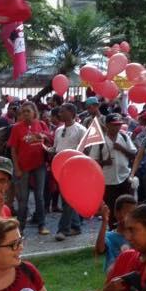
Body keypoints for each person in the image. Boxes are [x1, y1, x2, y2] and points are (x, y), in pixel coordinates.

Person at [7, 104, 52, 236]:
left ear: (34, 112)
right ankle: (20, 228)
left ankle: (41, 224)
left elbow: (49, 139)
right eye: (23, 112)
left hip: (39, 165)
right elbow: (13, 149)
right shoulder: (16, 128)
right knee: (23, 199)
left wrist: (42, 136)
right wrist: (17, 168)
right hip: (22, 166)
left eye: (28, 111)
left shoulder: (41, 124)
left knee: (39, 196)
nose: (25, 114)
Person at [87, 113, 137, 223]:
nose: (117, 127)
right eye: (114, 125)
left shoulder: (124, 137)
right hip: (107, 180)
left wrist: (121, 148)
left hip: (124, 177)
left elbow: (134, 155)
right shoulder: (100, 141)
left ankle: (128, 229)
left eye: (119, 125)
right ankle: (113, 230)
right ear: (107, 125)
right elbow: (92, 161)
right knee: (111, 208)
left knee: (128, 207)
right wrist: (105, 162)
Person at [51, 103, 86, 241]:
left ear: (71, 113)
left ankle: (63, 229)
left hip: (74, 168)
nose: (60, 114)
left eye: (62, 111)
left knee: (68, 198)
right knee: (67, 200)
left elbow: (86, 149)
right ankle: (76, 226)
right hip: (60, 168)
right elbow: (56, 148)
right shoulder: (59, 130)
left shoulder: (81, 130)